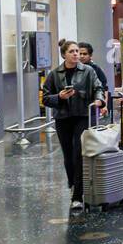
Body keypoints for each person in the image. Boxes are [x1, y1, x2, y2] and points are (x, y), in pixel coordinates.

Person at [42, 40, 106, 212]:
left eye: (77, 51)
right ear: (64, 54)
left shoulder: (88, 71)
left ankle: (78, 195)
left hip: (81, 116)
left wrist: (99, 99)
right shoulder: (55, 74)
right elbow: (46, 98)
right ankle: (72, 183)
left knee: (78, 153)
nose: (76, 54)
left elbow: (98, 87)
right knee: (68, 155)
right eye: (72, 51)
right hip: (62, 118)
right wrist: (60, 97)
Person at [78, 42, 111, 118]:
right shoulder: (72, 68)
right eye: (80, 54)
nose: (82, 56)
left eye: (85, 54)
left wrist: (104, 105)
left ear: (90, 55)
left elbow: (104, 88)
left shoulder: (96, 69)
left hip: (92, 107)